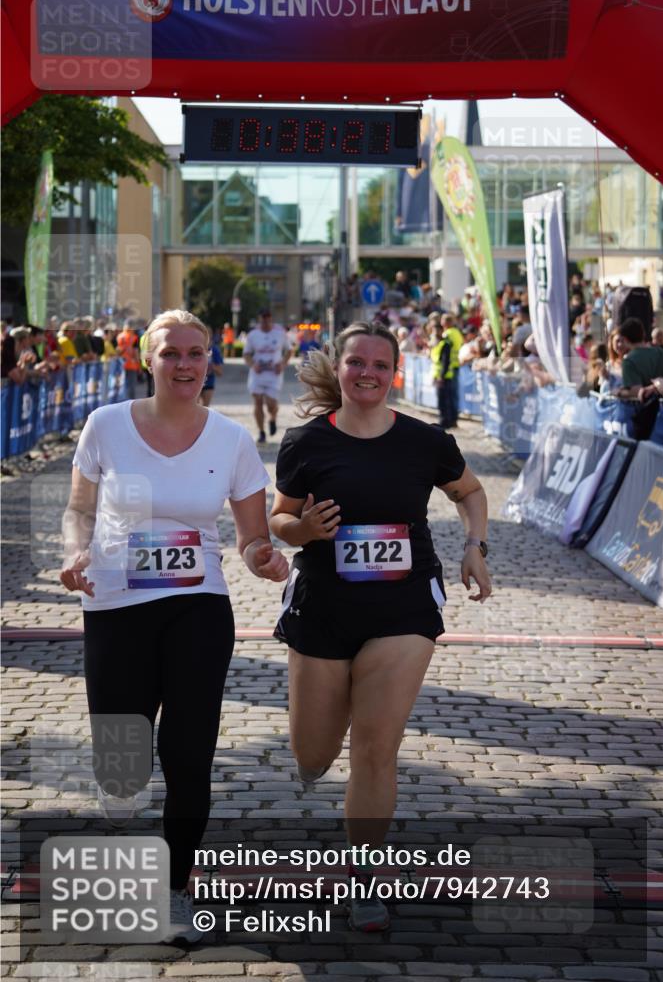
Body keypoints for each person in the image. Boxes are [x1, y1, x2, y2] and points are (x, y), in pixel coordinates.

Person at [59, 309, 288, 945]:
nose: (184, 364)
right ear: (148, 360)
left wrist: (263, 559)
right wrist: (76, 553)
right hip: (115, 607)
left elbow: (250, 538)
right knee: (122, 768)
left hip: (197, 607)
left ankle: (175, 884)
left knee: (189, 755)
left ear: (210, 359)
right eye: (171, 354)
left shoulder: (231, 441)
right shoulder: (106, 425)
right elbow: (78, 510)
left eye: (195, 353)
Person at [269, 322, 492, 932]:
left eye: (379, 364)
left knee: (375, 748)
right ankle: (332, 705)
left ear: (395, 371)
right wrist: (304, 530)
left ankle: (364, 879)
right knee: (312, 756)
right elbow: (279, 520)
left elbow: (469, 492)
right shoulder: (304, 442)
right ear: (338, 369)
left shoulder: (425, 441)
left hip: (403, 608)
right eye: (355, 362)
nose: (366, 373)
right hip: (323, 606)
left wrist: (476, 546)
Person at [243, 309, 290, 443]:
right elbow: (246, 354)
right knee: (257, 402)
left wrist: (283, 364)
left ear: (271, 319)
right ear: (260, 320)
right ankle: (261, 432)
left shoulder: (280, 333)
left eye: (268, 320)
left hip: (274, 374)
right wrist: (253, 365)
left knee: (271, 404)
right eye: (263, 320)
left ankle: (273, 418)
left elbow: (290, 350)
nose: (266, 323)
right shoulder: (253, 335)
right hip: (257, 374)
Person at [200, 335, 224, 406]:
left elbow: (220, 372)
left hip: (209, 382)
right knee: (193, 407)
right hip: (194, 381)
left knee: (205, 407)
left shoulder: (214, 350)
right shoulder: (190, 348)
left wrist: (211, 366)